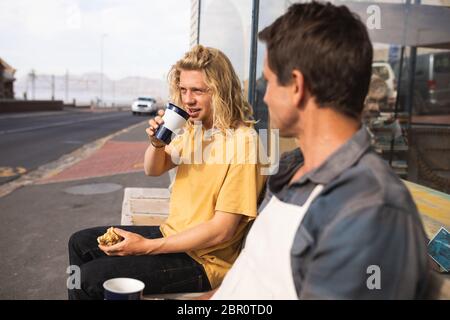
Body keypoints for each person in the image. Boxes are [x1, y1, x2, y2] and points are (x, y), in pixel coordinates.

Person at [209, 2, 429, 299]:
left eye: (269, 81)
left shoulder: (369, 212)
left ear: (297, 86)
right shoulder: (294, 169)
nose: (266, 95)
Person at [68, 45, 265, 299]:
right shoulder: (197, 130)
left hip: (204, 261)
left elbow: (222, 230)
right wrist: (157, 143)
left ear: (221, 91)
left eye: (197, 90)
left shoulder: (243, 142)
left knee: (89, 279)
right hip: (173, 235)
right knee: (80, 243)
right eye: (183, 90)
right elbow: (153, 169)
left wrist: (146, 247)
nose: (187, 100)